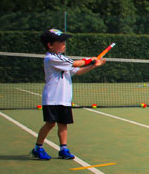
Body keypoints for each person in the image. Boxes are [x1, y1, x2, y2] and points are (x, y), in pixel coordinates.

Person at [32, 29, 106, 160]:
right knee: (50, 123)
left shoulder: (62, 58)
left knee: (63, 124)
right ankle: (38, 148)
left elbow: (77, 71)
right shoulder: (51, 58)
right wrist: (90, 59)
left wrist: (94, 65)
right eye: (61, 41)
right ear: (50, 45)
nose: (64, 44)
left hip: (64, 99)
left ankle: (63, 149)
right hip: (52, 98)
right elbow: (76, 63)